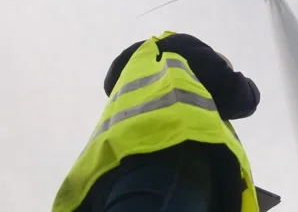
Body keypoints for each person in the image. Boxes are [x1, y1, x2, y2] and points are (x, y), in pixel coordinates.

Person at [52, 31, 262, 212]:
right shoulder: (180, 46)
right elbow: (236, 95)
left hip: (103, 170)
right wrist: (248, 84)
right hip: (170, 150)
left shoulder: (134, 69)